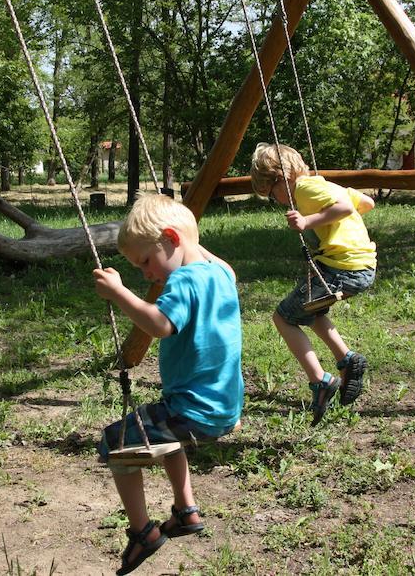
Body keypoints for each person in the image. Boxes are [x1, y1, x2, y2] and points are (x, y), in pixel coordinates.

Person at [93, 193, 243, 575]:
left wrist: (120, 292)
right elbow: (213, 258)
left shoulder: (183, 280)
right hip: (225, 409)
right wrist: (188, 240)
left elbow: (159, 324)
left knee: (115, 442)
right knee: (162, 432)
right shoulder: (221, 273)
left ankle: (143, 531)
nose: (146, 273)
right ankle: (185, 510)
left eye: (145, 261)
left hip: (193, 411)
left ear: (173, 241)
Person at [250, 142, 375, 425]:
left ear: (280, 178)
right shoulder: (326, 186)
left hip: (341, 267)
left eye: (272, 194)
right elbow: (366, 203)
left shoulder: (304, 189)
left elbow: (343, 207)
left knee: (283, 318)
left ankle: (320, 380)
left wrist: (308, 221)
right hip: (361, 265)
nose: (278, 201)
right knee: (312, 310)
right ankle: (348, 360)